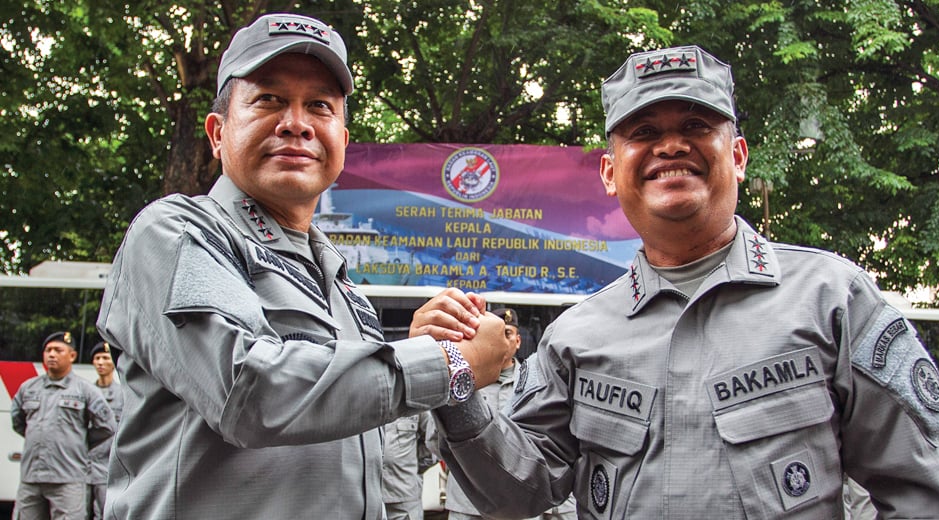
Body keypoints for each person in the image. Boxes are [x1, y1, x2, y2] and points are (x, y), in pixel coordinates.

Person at [431, 45, 939, 518]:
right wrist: (453, 383)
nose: (670, 146)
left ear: (737, 156)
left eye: (696, 126)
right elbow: (515, 494)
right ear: (609, 172)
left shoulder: (832, 299)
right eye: (643, 132)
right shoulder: (577, 334)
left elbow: (926, 495)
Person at [94, 12, 510, 520]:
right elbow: (249, 393)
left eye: (319, 105)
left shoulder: (344, 288)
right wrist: (447, 366)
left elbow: (352, 440)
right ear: (217, 133)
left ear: (342, 139)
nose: (296, 122)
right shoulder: (179, 231)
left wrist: (421, 344)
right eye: (269, 99)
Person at [442, 308, 577, 520]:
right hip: (467, 504)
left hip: (520, 506)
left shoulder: (538, 382)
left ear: (518, 341)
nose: (503, 340)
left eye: (508, 333)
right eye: (497, 335)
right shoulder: (465, 379)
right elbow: (438, 436)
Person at [10, 332, 116, 520]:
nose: (52, 354)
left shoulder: (85, 390)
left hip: (68, 479)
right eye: (48, 350)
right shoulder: (28, 388)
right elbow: (18, 421)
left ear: (72, 356)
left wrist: (78, 443)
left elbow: (107, 426)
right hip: (31, 479)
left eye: (58, 350)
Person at [86, 341, 124, 520]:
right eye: (97, 358)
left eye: (105, 358)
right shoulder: (85, 392)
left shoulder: (124, 393)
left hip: (109, 466)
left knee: (106, 513)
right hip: (83, 466)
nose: (100, 362)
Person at [382, 412, 436, 520]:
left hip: (404, 497)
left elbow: (433, 442)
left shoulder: (416, 402)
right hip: (367, 494)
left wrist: (410, 468)